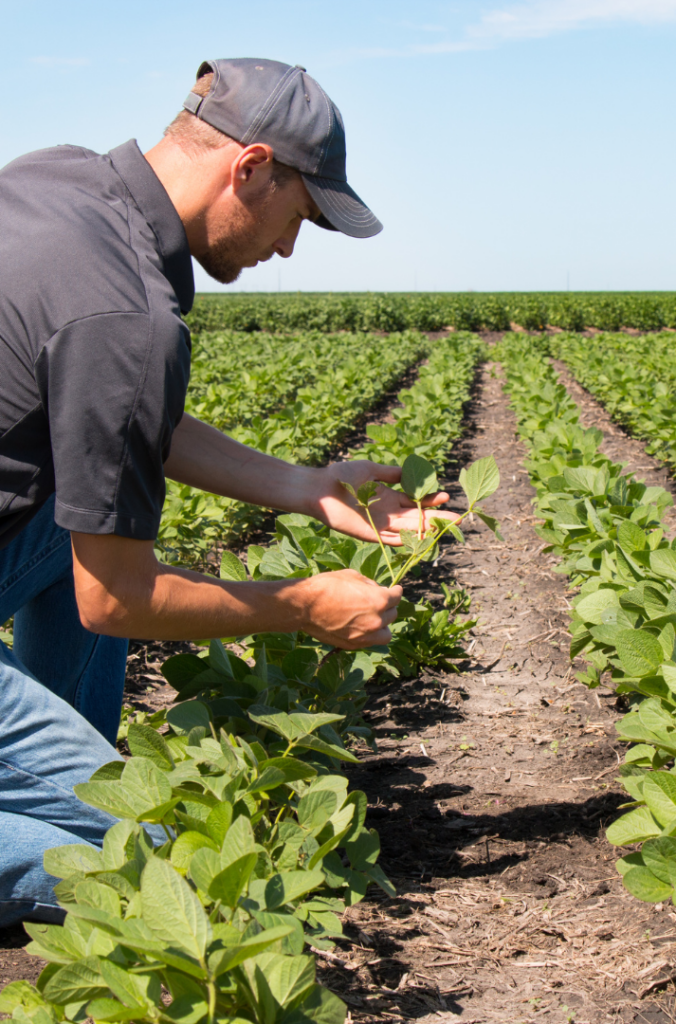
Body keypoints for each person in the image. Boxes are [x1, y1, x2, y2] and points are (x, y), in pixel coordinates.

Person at [0, 58, 450, 926]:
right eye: (298, 218)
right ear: (248, 167)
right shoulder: (128, 313)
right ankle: (95, 812)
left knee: (82, 517)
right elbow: (115, 596)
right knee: (168, 866)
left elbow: (121, 419)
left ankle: (82, 773)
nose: (286, 248)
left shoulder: (60, 180)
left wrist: (305, 487)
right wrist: (303, 605)